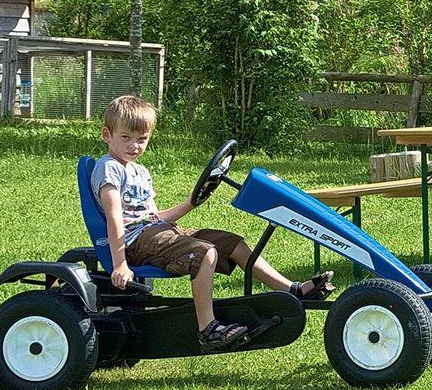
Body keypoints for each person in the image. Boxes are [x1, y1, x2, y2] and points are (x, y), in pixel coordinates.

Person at [89, 94, 333, 351]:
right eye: (126, 137)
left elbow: (154, 216)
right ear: (107, 135)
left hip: (157, 231)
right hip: (134, 242)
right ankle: (208, 330)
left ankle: (292, 290)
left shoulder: (140, 171)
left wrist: (191, 203)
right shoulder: (109, 168)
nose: (134, 146)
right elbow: (114, 218)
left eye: (142, 139)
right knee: (204, 253)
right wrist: (120, 264)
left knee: (233, 244)